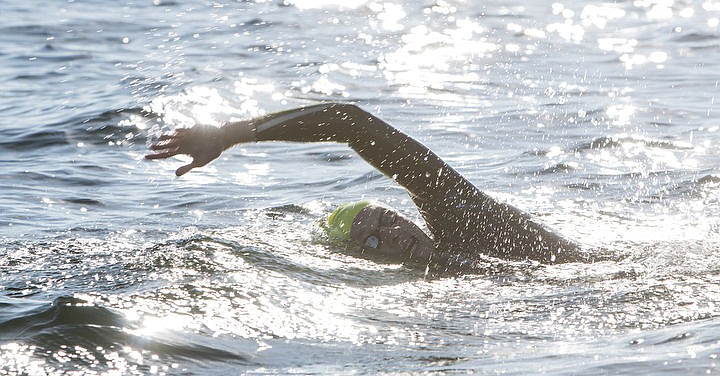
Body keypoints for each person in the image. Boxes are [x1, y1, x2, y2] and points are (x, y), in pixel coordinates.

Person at [146, 102, 595, 272]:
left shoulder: (469, 223)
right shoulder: (437, 278)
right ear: (370, 255)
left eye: (388, 216)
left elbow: (349, 120)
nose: (396, 229)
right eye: (375, 234)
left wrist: (228, 133)